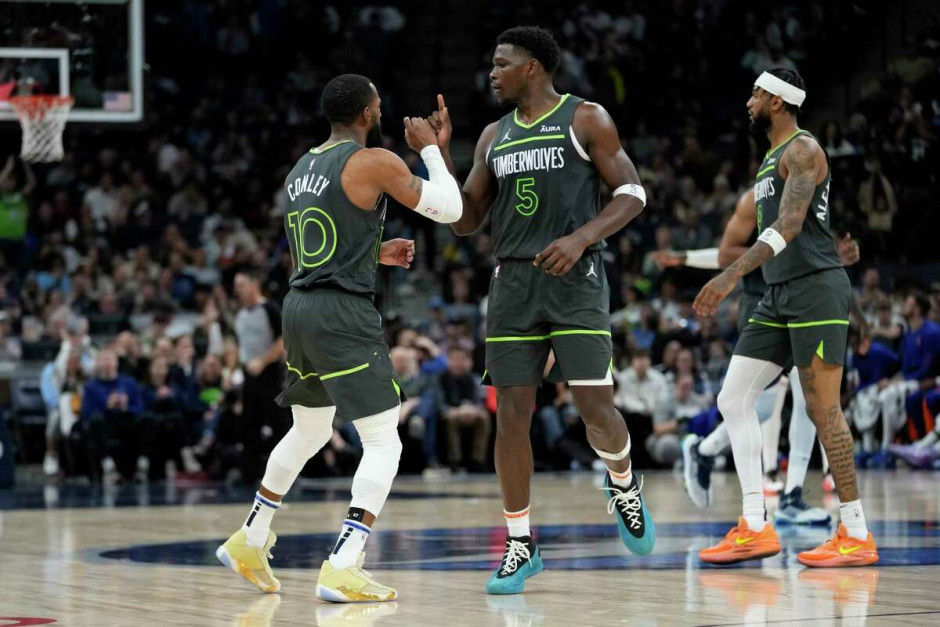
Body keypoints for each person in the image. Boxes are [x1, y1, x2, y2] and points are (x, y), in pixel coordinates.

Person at [216, 73, 463, 603]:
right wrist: (431, 151)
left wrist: (372, 251)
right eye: (380, 104)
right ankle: (344, 563)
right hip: (340, 313)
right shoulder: (373, 160)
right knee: (384, 439)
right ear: (367, 113)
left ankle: (250, 537)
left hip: (299, 307)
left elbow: (313, 247)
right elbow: (452, 209)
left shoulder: (301, 169)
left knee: (308, 430)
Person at [426, 26, 653, 594]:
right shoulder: (492, 135)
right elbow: (465, 220)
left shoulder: (586, 118)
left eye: (502, 63)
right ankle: (520, 544)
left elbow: (633, 193)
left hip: (576, 278)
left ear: (531, 67)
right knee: (511, 417)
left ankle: (623, 481)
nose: (492, 72)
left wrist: (581, 237)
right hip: (513, 283)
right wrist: (440, 156)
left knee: (595, 408)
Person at [691, 68, 878, 566]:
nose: (748, 102)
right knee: (733, 398)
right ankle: (755, 525)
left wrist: (729, 275)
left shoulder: (803, 149)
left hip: (814, 291)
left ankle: (855, 532)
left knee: (823, 409)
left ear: (777, 101)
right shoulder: (769, 160)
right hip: (778, 293)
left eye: (756, 94)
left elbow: (791, 226)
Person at [661, 184, 858, 523]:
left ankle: (792, 495)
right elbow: (726, 254)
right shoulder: (756, 196)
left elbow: (810, 249)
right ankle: (708, 452)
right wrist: (687, 258)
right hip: (762, 300)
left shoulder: (811, 193)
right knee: (759, 403)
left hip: (803, 295)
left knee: (807, 394)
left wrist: (830, 257)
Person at [232, 270, 290, 482]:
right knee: (249, 425)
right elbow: (240, 346)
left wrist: (262, 361)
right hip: (249, 376)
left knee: (279, 425)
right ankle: (249, 473)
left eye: (242, 284)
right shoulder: (239, 316)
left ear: (254, 284)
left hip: (270, 374)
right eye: (236, 286)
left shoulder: (269, 309)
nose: (238, 290)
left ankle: (285, 473)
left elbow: (282, 339)